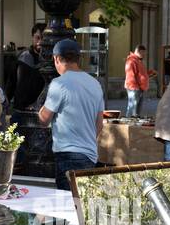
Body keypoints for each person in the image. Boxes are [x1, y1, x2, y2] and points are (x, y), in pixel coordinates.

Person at [39, 38, 105, 189]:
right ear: (78, 58)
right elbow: (99, 124)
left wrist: (41, 108)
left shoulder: (59, 83)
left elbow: (44, 119)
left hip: (67, 154)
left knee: (66, 206)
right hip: (90, 155)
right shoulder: (95, 83)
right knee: (81, 206)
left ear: (56, 58)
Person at [13, 23, 46, 110]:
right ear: (32, 37)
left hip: (41, 108)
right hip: (22, 107)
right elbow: (13, 82)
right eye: (37, 37)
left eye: (43, 38)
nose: (40, 41)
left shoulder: (50, 58)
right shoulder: (24, 56)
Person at [124, 43, 156, 118]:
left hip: (139, 88)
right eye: (143, 53)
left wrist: (150, 73)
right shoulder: (131, 61)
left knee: (137, 109)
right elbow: (130, 76)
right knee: (132, 108)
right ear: (139, 52)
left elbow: (141, 74)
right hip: (134, 88)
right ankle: (129, 124)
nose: (144, 55)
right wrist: (136, 88)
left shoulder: (138, 61)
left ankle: (135, 124)